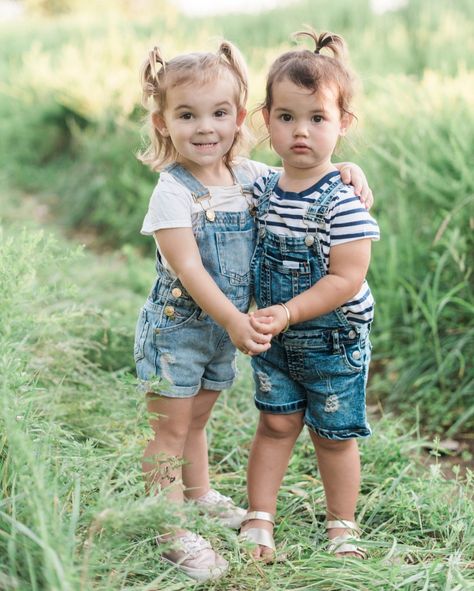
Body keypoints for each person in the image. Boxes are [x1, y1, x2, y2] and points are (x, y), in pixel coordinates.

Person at [134, 39, 373, 582]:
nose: (205, 127)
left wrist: (349, 167)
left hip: (225, 332)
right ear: (163, 122)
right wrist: (234, 321)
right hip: (180, 331)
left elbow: (304, 176)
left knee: (198, 419)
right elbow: (191, 271)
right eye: (187, 115)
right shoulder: (173, 193)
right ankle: (171, 531)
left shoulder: (247, 177)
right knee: (169, 430)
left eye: (219, 113)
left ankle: (197, 496)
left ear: (241, 117)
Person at [239, 30, 380, 562]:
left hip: (331, 338)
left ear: (342, 125)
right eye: (287, 117)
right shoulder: (262, 186)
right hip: (276, 337)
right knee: (274, 424)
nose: (302, 131)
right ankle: (259, 517)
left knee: (334, 435)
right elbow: (219, 165)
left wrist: (291, 310)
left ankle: (342, 525)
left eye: (317, 118)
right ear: (267, 120)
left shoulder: (343, 201)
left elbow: (346, 277)